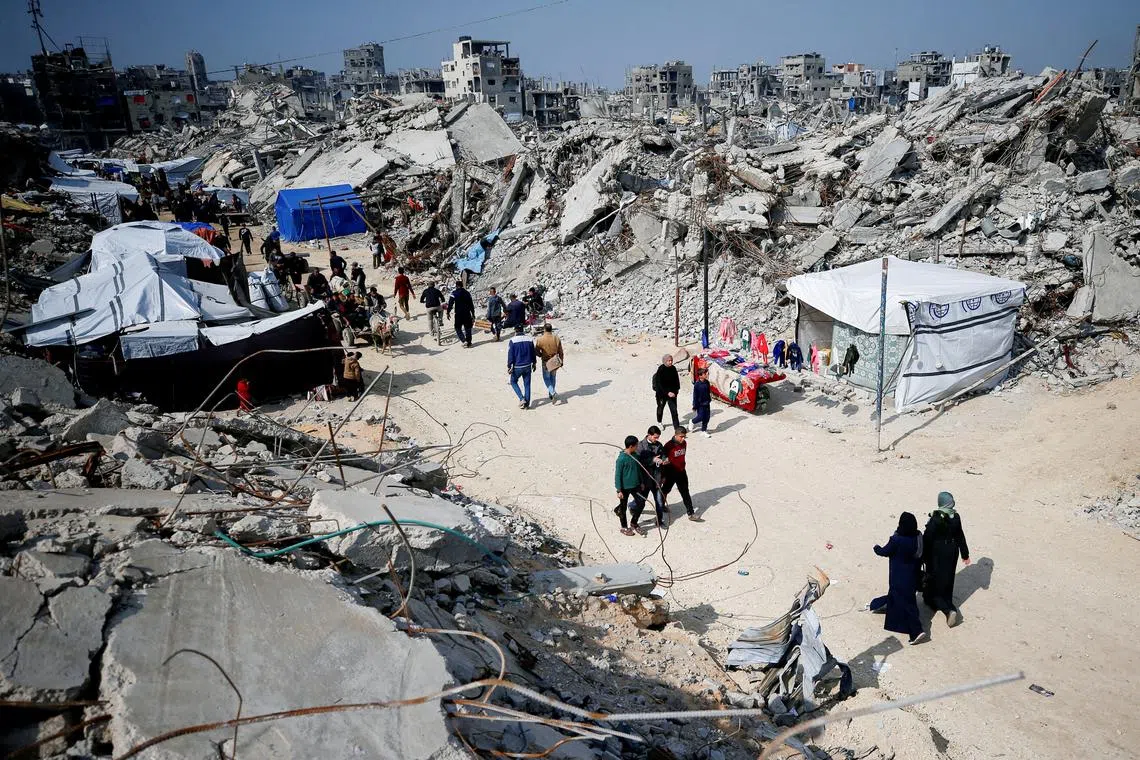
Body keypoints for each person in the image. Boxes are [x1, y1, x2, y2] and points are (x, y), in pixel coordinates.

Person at [868, 512, 928, 645]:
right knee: (902, 597)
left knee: (906, 603)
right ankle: (878, 605)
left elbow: (884, 551)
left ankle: (917, 631)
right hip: (913, 576)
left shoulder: (897, 540)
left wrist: (876, 548)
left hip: (898, 577)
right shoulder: (918, 536)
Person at [922, 492, 971, 628]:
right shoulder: (956, 516)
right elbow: (960, 535)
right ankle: (946, 601)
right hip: (953, 551)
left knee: (934, 579)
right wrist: (965, 555)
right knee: (948, 579)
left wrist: (922, 556)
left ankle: (947, 609)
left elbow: (927, 538)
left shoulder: (936, 518)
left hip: (937, 553)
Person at [661, 426, 697, 520]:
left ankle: (691, 513)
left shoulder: (684, 443)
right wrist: (663, 475)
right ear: (676, 435)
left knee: (685, 492)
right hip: (670, 473)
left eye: (684, 436)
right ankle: (661, 506)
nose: (683, 439)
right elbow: (663, 460)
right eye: (681, 436)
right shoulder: (668, 446)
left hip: (681, 472)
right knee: (665, 490)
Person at [614, 435, 647, 536]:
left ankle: (634, 522)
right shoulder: (621, 459)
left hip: (636, 485)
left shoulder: (635, 456)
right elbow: (618, 475)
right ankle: (624, 527)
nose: (637, 447)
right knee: (623, 508)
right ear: (631, 446)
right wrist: (619, 490)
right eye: (636, 445)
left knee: (641, 503)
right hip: (624, 488)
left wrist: (641, 482)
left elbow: (638, 470)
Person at [636, 426, 667, 527]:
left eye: (658, 437)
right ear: (649, 435)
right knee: (641, 501)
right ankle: (632, 510)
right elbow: (638, 462)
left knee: (659, 501)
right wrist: (652, 460)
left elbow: (663, 456)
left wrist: (665, 460)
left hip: (656, 479)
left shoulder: (659, 445)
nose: (656, 439)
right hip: (645, 480)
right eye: (655, 437)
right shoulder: (640, 446)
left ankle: (659, 521)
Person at [506, 324, 537, 409]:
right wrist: (534, 363)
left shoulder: (512, 340)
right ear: (522, 330)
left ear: (515, 330)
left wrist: (509, 366)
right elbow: (533, 353)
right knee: (527, 384)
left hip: (517, 366)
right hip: (528, 365)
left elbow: (510, 355)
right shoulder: (529, 339)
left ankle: (521, 398)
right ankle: (527, 404)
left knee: (513, 381)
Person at [534, 323, 564, 403]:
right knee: (553, 377)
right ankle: (551, 394)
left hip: (546, 361)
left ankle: (552, 392)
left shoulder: (540, 339)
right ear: (551, 329)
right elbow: (561, 352)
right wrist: (561, 361)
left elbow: (536, 351)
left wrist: (540, 355)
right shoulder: (556, 338)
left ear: (544, 329)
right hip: (555, 360)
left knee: (546, 378)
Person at [653, 355, 682, 429]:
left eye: (671, 360)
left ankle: (677, 427)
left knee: (674, 410)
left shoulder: (673, 368)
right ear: (664, 361)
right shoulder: (661, 369)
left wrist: (676, 391)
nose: (670, 362)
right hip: (661, 394)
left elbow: (677, 381)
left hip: (672, 394)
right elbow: (659, 384)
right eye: (669, 361)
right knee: (660, 409)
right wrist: (667, 392)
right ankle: (659, 422)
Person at [692, 368, 712, 436]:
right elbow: (695, 396)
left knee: (707, 417)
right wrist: (694, 406)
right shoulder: (697, 384)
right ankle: (692, 421)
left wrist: (709, 399)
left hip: (707, 403)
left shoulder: (707, 382)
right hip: (700, 404)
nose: (707, 374)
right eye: (705, 374)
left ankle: (703, 431)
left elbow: (708, 391)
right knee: (700, 417)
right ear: (700, 375)